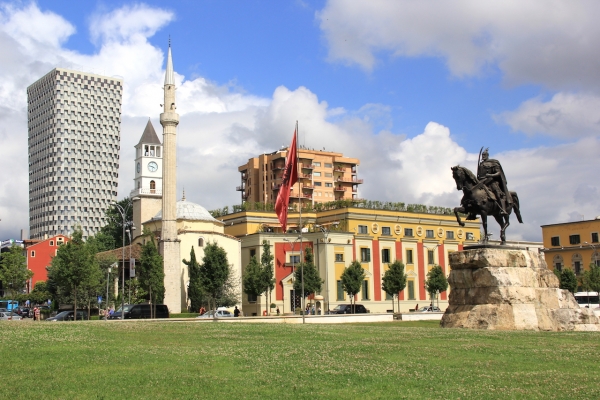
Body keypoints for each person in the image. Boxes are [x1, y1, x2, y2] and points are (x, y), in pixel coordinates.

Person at [477, 148, 512, 215]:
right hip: (481, 181)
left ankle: (503, 209)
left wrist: (490, 175)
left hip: (490, 181)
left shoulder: (493, 163)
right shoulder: (481, 164)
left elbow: (498, 173)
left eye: (484, 155)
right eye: (482, 155)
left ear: (487, 155)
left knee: (498, 193)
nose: (483, 156)